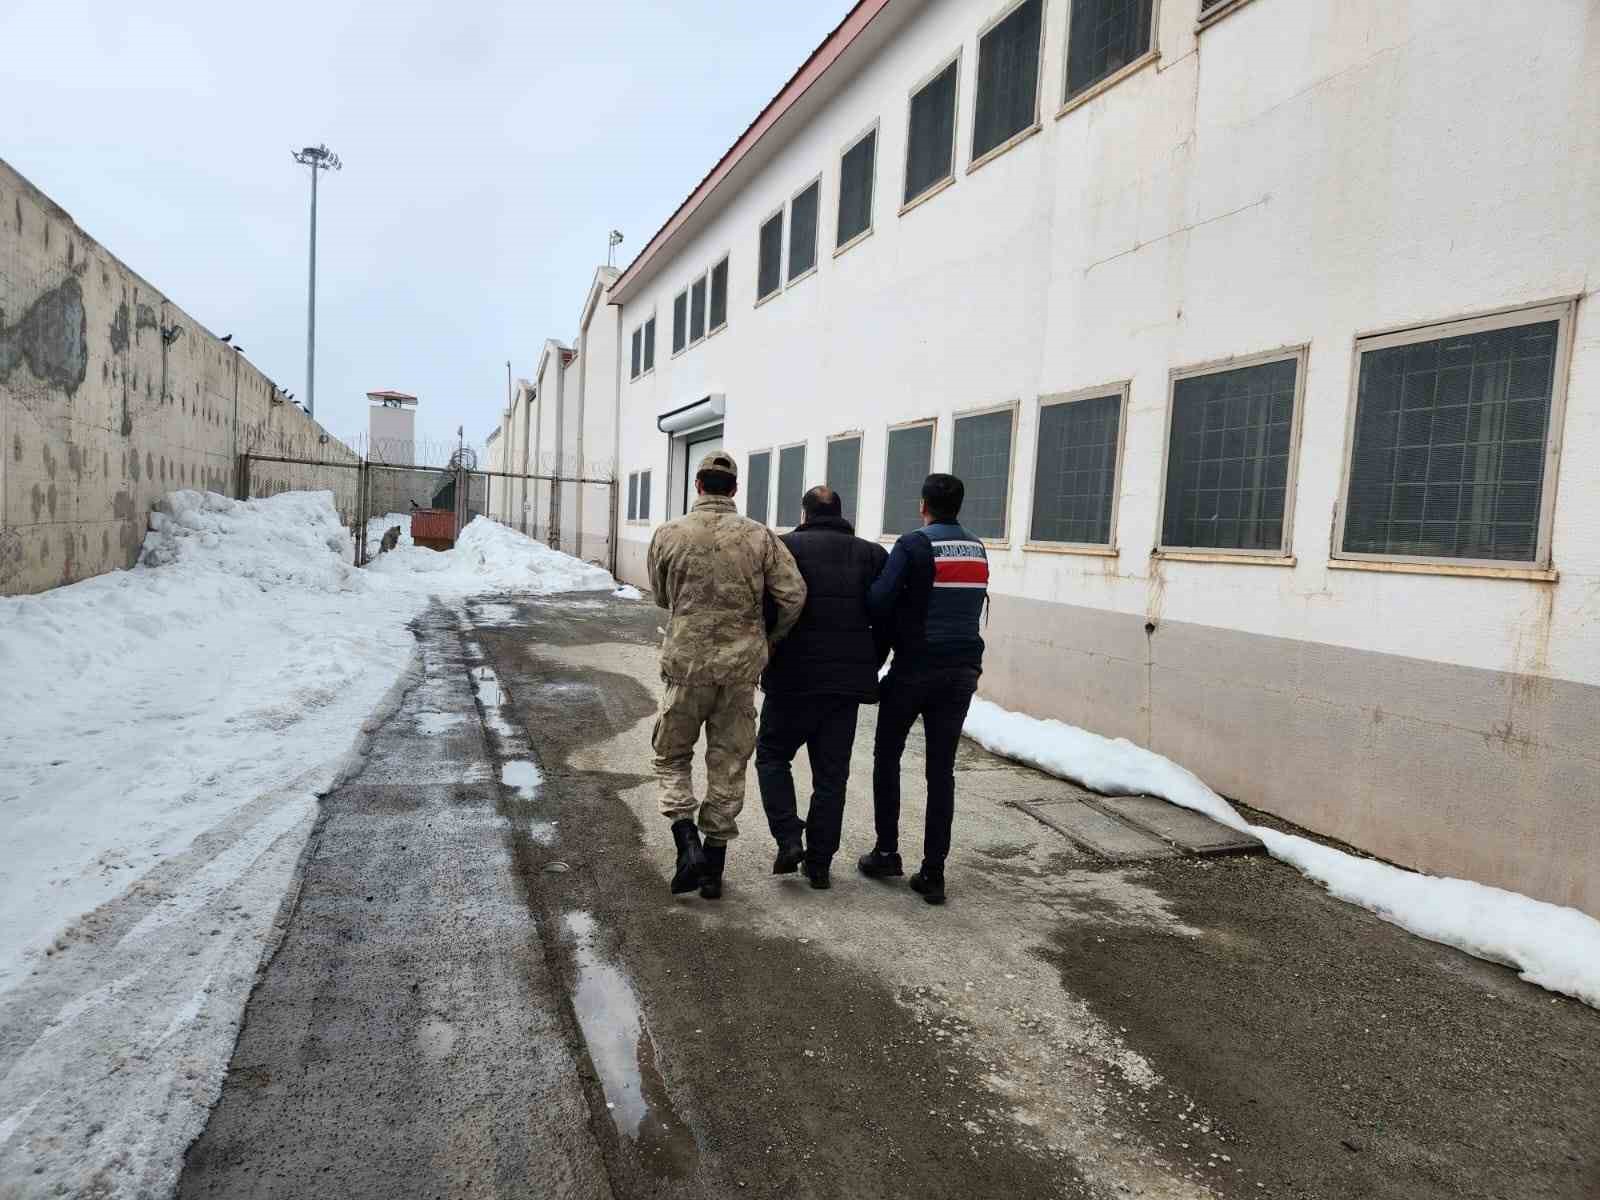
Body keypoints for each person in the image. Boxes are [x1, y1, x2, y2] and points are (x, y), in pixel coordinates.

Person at [647, 451, 807, 900]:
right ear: (733, 489)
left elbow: (661, 596)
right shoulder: (760, 537)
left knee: (671, 756)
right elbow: (793, 595)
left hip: (685, 666)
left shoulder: (668, 534)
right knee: (729, 763)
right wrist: (769, 639)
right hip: (740, 671)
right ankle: (713, 870)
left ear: (698, 485)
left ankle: (686, 843)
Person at [857, 473, 988, 905]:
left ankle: (887, 850)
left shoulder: (913, 545)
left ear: (923, 505)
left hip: (915, 669)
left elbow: (879, 601)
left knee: (887, 755)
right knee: (940, 771)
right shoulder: (977, 548)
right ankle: (933, 872)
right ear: (959, 505)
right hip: (962, 673)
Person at [755, 485, 888, 890]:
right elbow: (886, 616)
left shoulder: (782, 548)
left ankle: (788, 835)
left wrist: (770, 654)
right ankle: (819, 864)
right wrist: (869, 661)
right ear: (841, 512)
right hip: (843, 689)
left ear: (805, 513)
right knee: (831, 777)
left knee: (772, 756)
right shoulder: (872, 556)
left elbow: (765, 610)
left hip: (791, 681)